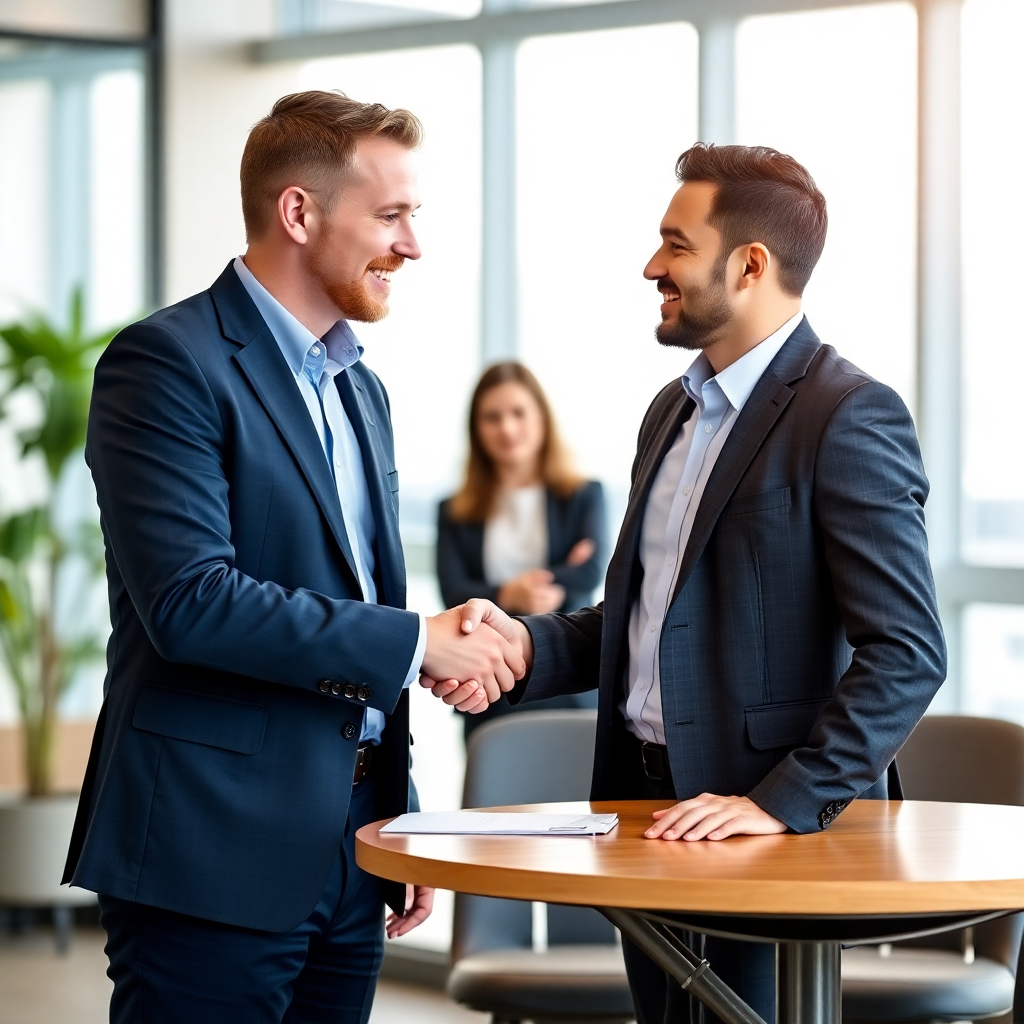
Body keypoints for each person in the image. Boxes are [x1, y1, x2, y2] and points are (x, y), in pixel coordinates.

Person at [424, 143, 946, 1024]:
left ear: (749, 264)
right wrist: (520, 646)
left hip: (762, 829)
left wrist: (778, 804)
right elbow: (645, 617)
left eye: (675, 243)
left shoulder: (847, 413)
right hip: (641, 805)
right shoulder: (672, 410)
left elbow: (908, 652)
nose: (651, 266)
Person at [61, 90, 522, 1024]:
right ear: (299, 213)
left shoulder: (363, 390)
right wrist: (418, 640)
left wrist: (396, 808)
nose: (413, 245)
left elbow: (348, 597)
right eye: (390, 216)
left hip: (351, 847)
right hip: (208, 850)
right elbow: (192, 600)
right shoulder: (167, 364)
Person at [436, 361, 606, 738]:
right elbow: (453, 590)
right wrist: (513, 592)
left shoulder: (582, 495)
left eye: (518, 413)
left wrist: (496, 591)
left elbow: (591, 571)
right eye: (492, 418)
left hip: (571, 691)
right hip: (488, 689)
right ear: (477, 430)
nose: (507, 428)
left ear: (541, 419)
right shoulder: (455, 510)